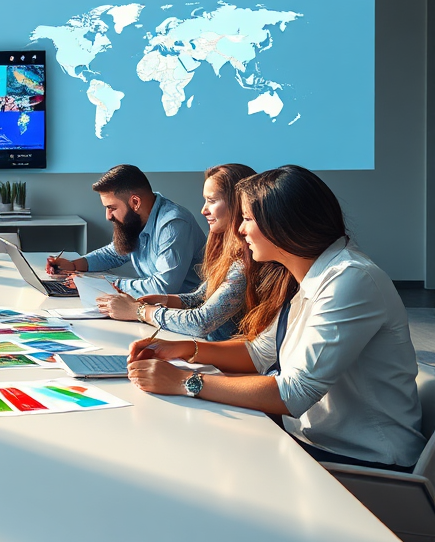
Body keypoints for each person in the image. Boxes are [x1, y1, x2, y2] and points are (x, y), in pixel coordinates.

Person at [127, 166, 424, 471]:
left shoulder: (350, 279)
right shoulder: (313, 274)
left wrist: (185, 382)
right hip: (313, 442)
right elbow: (258, 353)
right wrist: (183, 350)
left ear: (282, 224)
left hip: (364, 462)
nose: (240, 230)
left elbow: (295, 393)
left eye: (247, 219)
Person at [95, 164, 255, 340]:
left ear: (239, 204)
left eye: (212, 200)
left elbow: (201, 322)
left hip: (218, 357)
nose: (203, 210)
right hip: (203, 345)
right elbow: (201, 297)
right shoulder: (227, 251)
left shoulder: (243, 263)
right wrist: (164, 301)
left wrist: (139, 311)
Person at [47, 163, 205, 295]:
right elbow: (114, 253)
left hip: (182, 314)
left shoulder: (173, 224)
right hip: (154, 307)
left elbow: (162, 287)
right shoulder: (140, 218)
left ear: (135, 202)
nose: (108, 216)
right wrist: (73, 265)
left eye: (112, 208)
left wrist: (105, 284)